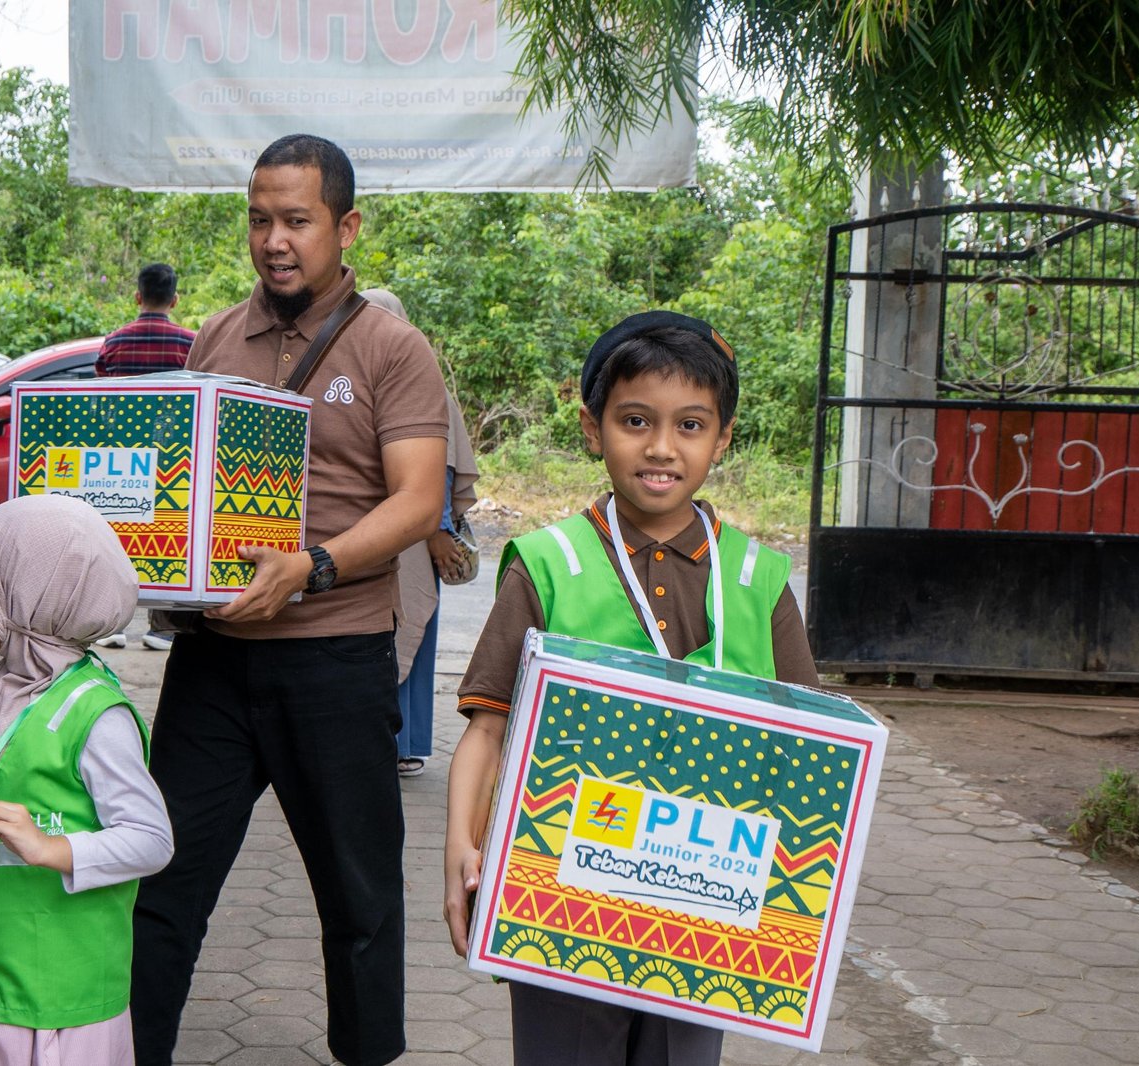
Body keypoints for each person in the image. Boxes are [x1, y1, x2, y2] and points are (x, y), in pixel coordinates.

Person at [130, 134, 449, 1066]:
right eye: (261, 219)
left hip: (335, 659)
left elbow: (418, 500)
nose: (276, 239)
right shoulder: (217, 336)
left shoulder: (392, 347)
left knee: (359, 900)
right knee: (160, 881)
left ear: (346, 228)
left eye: (297, 221)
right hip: (216, 662)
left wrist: (309, 568)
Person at [441, 311, 821, 1066]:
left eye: (689, 425)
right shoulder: (547, 563)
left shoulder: (757, 578)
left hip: (706, 906)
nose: (660, 447)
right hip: (556, 889)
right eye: (636, 420)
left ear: (723, 438)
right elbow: (488, 727)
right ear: (593, 428)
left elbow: (805, 755)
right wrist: (461, 842)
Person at [0, 493, 174, 1066]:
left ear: (24, 601)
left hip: (67, 997)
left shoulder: (94, 713)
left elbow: (153, 840)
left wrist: (51, 848)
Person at [358, 288, 480, 778]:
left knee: (407, 630)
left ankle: (404, 745)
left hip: (415, 535)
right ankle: (382, 741)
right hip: (371, 533)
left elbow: (442, 468)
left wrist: (438, 531)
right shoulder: (362, 379)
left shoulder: (420, 382)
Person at [94, 262, 198, 652]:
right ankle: (162, 628)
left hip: (123, 459)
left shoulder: (115, 343)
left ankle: (112, 624)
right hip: (175, 459)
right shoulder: (190, 343)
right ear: (174, 299)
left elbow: (101, 400)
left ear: (137, 296)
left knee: (118, 538)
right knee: (169, 538)